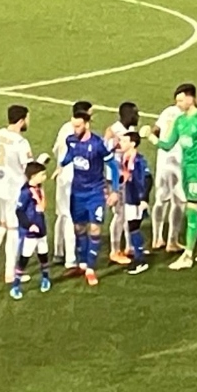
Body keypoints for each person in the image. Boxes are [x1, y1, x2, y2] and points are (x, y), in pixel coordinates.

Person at [143, 84, 197, 270]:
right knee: (196, 208)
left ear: (191, 98)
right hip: (186, 168)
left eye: (181, 100)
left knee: (191, 209)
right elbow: (167, 144)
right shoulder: (180, 121)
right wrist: (150, 136)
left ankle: (188, 255)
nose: (178, 103)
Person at [56, 111, 120, 286]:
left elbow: (113, 166)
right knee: (79, 228)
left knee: (95, 229)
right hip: (77, 192)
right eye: (73, 125)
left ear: (86, 124)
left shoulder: (98, 144)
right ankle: (83, 263)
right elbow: (70, 154)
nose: (75, 129)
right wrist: (62, 165)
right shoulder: (71, 140)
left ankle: (91, 268)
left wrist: (114, 191)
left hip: (95, 192)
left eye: (78, 126)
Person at [0, 105, 34, 284]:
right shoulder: (20, 143)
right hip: (13, 192)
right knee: (13, 230)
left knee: (0, 227)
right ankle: (10, 273)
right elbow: (30, 169)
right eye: (27, 118)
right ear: (21, 120)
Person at [52, 101, 91, 270]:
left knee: (61, 214)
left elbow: (56, 150)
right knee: (71, 217)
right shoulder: (82, 133)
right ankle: (70, 258)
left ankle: (58, 251)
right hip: (75, 178)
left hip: (62, 176)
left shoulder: (64, 128)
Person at [104, 101, 139, 265]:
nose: (137, 116)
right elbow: (105, 154)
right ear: (127, 115)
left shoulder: (128, 131)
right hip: (115, 179)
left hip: (125, 178)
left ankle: (130, 246)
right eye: (135, 113)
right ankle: (114, 250)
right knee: (120, 215)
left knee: (127, 213)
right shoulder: (114, 132)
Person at [10, 162, 51, 300]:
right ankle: (15, 286)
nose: (45, 177)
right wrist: (28, 225)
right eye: (42, 175)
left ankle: (45, 278)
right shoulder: (26, 192)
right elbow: (19, 211)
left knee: (43, 255)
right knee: (24, 258)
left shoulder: (38, 187)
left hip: (41, 228)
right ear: (34, 176)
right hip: (31, 231)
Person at [151, 101, 186, 253]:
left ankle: (157, 238)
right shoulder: (188, 116)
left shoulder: (167, 111)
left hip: (162, 161)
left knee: (161, 199)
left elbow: (155, 130)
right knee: (179, 202)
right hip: (178, 161)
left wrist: (152, 137)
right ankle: (172, 241)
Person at [118, 131, 152, 275]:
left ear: (132, 143)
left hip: (137, 199)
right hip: (130, 197)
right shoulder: (126, 158)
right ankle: (139, 252)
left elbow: (148, 179)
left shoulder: (138, 161)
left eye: (124, 141)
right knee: (132, 226)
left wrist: (144, 199)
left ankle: (140, 260)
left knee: (133, 227)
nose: (121, 143)